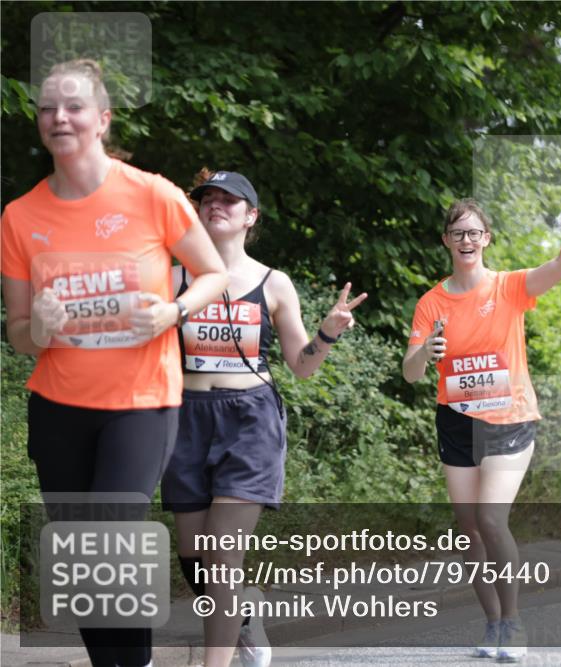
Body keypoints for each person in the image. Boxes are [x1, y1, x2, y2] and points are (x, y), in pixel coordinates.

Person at [0, 60, 228, 667]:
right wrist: (37, 328)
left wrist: (172, 312)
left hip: (141, 402)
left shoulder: (151, 194)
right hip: (59, 406)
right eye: (48, 108)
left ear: (101, 119)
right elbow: (20, 333)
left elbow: (214, 273)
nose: (59, 118)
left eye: (73, 106)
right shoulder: (20, 217)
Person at [160, 169, 366, 667]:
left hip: (250, 420)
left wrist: (329, 332)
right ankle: (245, 620)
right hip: (185, 418)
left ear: (250, 216)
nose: (216, 205)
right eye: (208, 198)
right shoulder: (173, 276)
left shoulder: (274, 283)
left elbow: (302, 366)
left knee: (222, 554)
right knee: (194, 556)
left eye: (230, 200)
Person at [402, 178, 561, 662]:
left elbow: (559, 268)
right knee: (468, 526)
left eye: (475, 233)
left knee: (492, 519)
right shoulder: (432, 302)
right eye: (458, 234)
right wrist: (426, 351)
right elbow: (410, 373)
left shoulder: (509, 287)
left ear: (486, 238)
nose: (466, 241)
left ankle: (513, 623)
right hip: (455, 419)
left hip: (509, 418)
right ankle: (491, 623)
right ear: (446, 241)